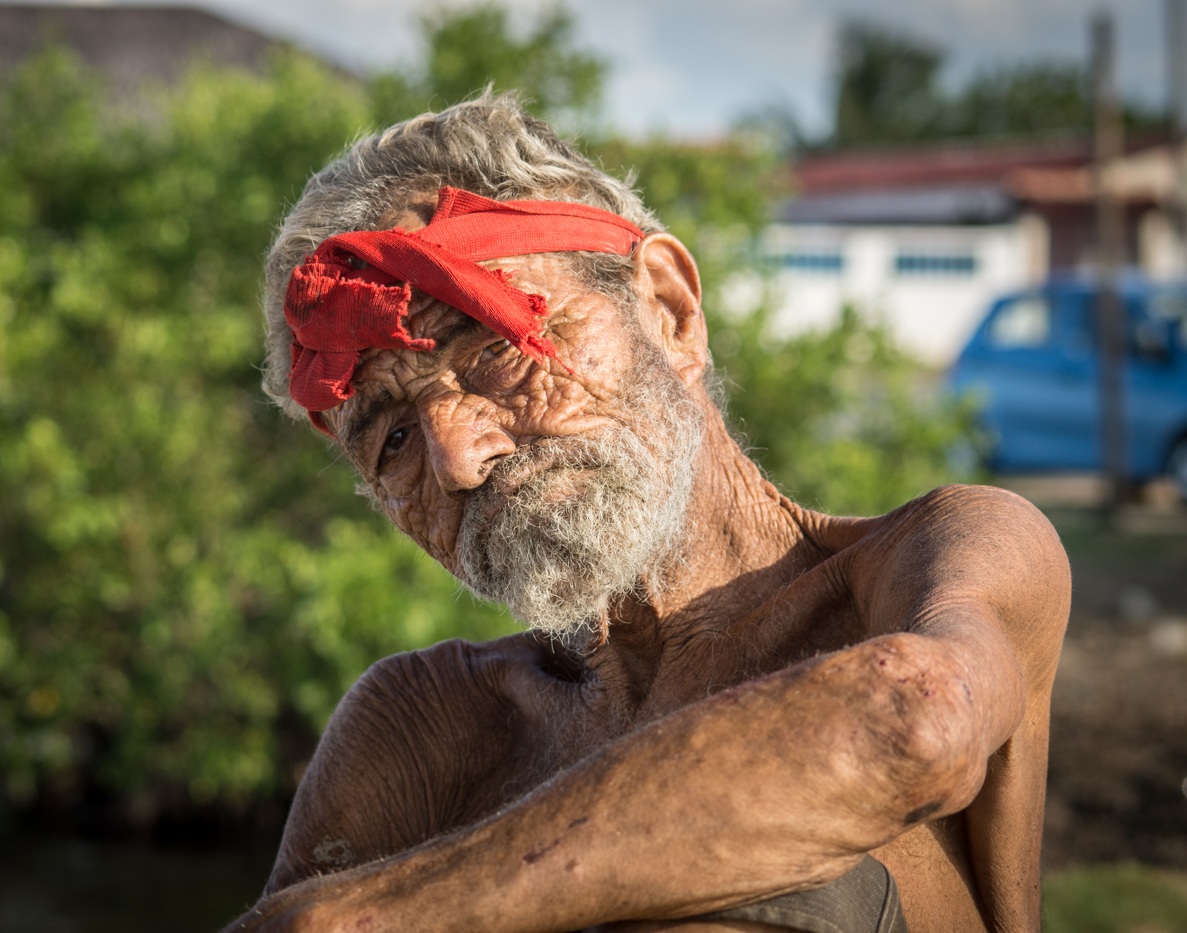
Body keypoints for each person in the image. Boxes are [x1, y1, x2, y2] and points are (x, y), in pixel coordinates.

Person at [225, 93, 1070, 933]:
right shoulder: (424, 728)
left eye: (494, 349)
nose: (457, 460)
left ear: (668, 310)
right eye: (394, 439)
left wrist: (356, 920)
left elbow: (914, 720)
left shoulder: (940, 553)